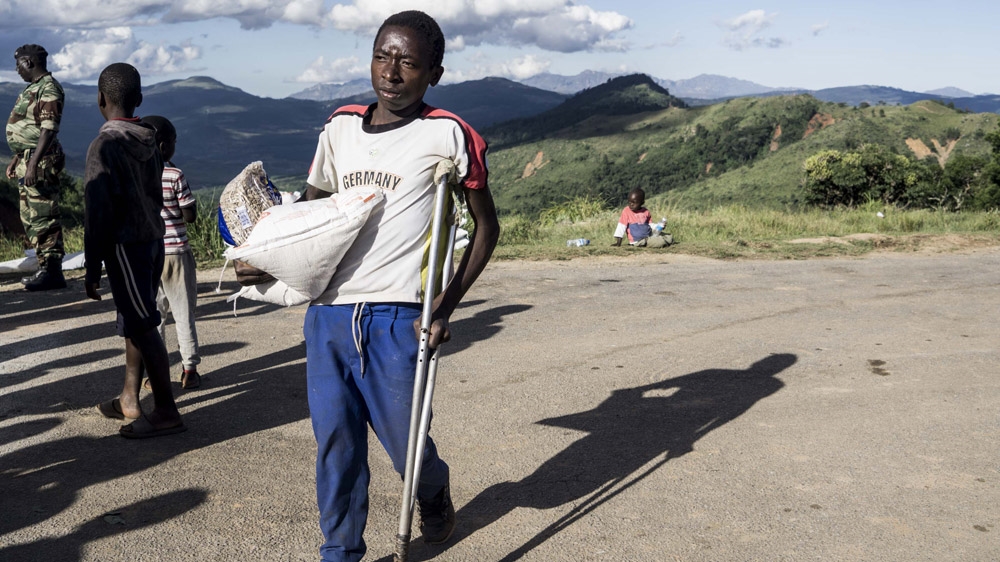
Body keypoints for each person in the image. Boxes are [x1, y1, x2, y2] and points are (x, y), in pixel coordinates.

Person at [237, 10, 499, 561]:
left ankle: (431, 487)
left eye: (409, 61)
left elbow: (485, 227)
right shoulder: (339, 127)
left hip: (400, 316)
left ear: (435, 73)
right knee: (337, 445)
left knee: (406, 448)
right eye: (383, 55)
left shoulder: (448, 133)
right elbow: (309, 214)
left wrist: (446, 306)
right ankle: (341, 551)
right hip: (330, 315)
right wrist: (265, 257)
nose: (392, 71)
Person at [84, 63, 185, 439]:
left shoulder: (105, 146)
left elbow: (97, 212)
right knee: (136, 318)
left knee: (142, 325)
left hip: (126, 246)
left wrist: (92, 265)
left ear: (100, 99)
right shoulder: (149, 138)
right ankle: (130, 397)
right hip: (153, 241)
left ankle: (166, 410)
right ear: (139, 99)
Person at [141, 115, 201, 390]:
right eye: (174, 142)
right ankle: (189, 369)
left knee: (156, 316)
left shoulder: (139, 173)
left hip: (150, 252)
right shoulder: (175, 175)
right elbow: (189, 215)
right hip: (177, 251)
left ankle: (157, 373)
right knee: (184, 312)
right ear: (165, 146)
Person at [5, 44, 67, 291]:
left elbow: (48, 128)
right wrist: (18, 158)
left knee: (44, 215)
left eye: (18, 64)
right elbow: (28, 129)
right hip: (28, 159)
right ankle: (44, 266)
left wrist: (32, 164)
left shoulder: (49, 88)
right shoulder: (33, 88)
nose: (17, 69)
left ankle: (53, 271)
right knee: (30, 217)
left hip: (40, 161)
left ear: (29, 62)